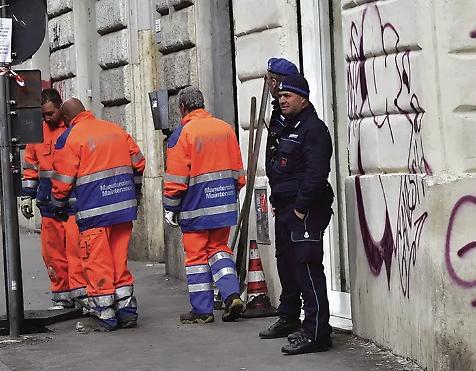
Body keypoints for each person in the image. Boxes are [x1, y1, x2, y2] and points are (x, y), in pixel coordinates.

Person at [50, 98, 145, 332]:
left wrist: (58, 205)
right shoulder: (115, 130)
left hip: (94, 212)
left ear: (65, 119)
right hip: (123, 208)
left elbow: (63, 180)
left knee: (97, 261)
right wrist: (134, 192)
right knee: (118, 260)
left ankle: (105, 315)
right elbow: (139, 163)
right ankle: (127, 310)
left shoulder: (69, 138)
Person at [260, 74, 335, 355]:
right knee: (290, 266)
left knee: (307, 268)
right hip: (287, 208)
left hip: (305, 210)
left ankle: (317, 332)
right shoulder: (289, 125)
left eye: (287, 96)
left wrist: (301, 207)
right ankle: (298, 323)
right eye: (280, 96)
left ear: (303, 98)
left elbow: (316, 174)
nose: (282, 100)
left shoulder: (313, 129)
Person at [163, 86, 246, 324]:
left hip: (196, 209)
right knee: (219, 249)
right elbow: (239, 174)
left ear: (182, 108)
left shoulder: (182, 134)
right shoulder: (225, 129)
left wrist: (171, 207)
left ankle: (202, 310)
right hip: (224, 205)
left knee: (197, 258)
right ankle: (231, 295)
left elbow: (177, 180)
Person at [20, 89, 86, 309]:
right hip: (48, 203)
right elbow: (30, 165)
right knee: (53, 254)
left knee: (76, 252)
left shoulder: (72, 130)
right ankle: (62, 295)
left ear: (61, 109)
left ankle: (81, 294)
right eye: (44, 115)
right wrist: (27, 196)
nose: (47, 118)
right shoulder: (37, 133)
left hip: (71, 203)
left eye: (51, 113)